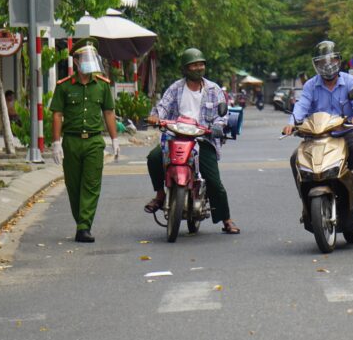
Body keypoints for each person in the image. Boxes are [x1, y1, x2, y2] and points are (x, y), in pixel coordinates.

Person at [143, 48, 240, 234]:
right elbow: (162, 106)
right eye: (194, 65)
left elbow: (223, 114)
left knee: (214, 181)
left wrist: (219, 125)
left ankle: (226, 219)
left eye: (201, 64)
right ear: (185, 68)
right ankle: (160, 194)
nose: (198, 67)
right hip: (175, 136)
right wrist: (155, 117)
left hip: (203, 138)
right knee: (153, 158)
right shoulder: (175, 88)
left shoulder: (214, 89)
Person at [282, 40, 353, 219]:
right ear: (316, 65)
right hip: (317, 136)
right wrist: (291, 123)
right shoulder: (310, 85)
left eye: (331, 60)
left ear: (338, 61)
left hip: (344, 132)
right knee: (296, 158)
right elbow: (301, 106)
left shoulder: (350, 81)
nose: (327, 65)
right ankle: (305, 204)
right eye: (321, 62)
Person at [50, 37, 120, 243]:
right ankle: (81, 221)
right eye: (83, 58)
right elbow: (57, 114)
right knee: (73, 185)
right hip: (71, 141)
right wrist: (55, 142)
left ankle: (84, 226)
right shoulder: (63, 87)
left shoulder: (102, 86)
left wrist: (115, 139)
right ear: (76, 61)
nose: (88, 63)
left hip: (94, 142)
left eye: (90, 58)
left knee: (91, 184)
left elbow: (108, 112)